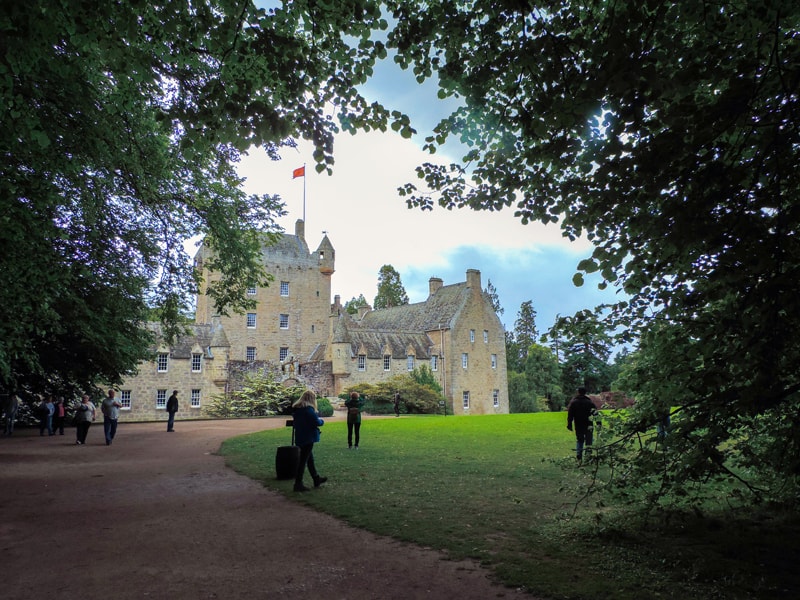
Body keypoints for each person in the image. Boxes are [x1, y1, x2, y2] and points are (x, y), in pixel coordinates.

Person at [291, 390, 327, 492]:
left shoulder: (297, 409)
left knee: (309, 459)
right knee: (303, 461)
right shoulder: (308, 410)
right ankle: (298, 484)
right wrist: (321, 421)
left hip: (301, 436)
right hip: (308, 437)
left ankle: (316, 478)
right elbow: (316, 422)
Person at [566, 387, 598, 462]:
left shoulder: (574, 403)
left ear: (578, 392)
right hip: (588, 424)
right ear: (585, 393)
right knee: (589, 440)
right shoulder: (590, 403)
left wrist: (569, 424)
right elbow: (596, 414)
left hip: (578, 424)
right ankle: (588, 456)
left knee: (580, 440)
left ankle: (579, 454)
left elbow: (570, 415)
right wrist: (598, 423)